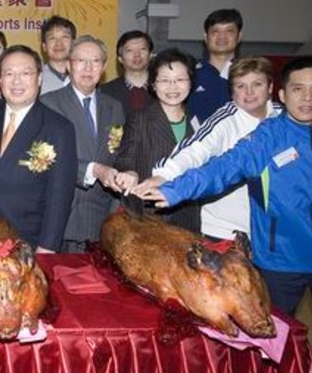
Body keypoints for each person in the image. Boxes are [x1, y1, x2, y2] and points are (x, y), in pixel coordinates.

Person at [137, 57, 312, 373]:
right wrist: (174, 189)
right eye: (297, 89)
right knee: (266, 335)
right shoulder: (269, 135)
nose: (306, 98)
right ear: (284, 93)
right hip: (280, 259)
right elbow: (224, 167)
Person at [136, 57, 282, 240]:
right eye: (240, 86)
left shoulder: (286, 117)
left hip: (276, 230)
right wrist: (165, 175)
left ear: (270, 87)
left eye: (257, 84)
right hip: (225, 231)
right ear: (231, 92)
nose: (249, 92)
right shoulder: (225, 119)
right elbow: (196, 148)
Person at [0, 45, 77, 252]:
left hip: (27, 241)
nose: (16, 81)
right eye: (9, 73)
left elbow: (60, 195)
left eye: (25, 73)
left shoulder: (58, 127)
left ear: (40, 79)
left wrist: (47, 247)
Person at [41, 36, 126, 252]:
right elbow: (45, 159)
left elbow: (119, 156)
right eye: (81, 61)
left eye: (95, 61)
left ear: (104, 67)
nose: (88, 68)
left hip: (102, 220)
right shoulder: (48, 104)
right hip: (61, 220)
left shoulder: (114, 107)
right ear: (69, 64)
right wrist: (94, 170)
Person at [114, 48, 201, 233]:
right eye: (165, 80)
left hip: (189, 218)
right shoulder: (140, 119)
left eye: (180, 80)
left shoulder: (198, 121)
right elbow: (125, 158)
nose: (173, 87)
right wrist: (130, 173)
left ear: (191, 82)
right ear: (153, 84)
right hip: (150, 218)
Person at [190, 8, 243, 124]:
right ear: (206, 37)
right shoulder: (190, 74)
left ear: (239, 37)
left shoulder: (250, 74)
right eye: (215, 31)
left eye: (229, 31)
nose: (222, 36)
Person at [100, 30, 154, 116]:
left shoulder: (164, 89)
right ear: (120, 58)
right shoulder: (104, 92)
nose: (137, 54)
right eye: (130, 50)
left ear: (151, 55)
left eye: (142, 49)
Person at [39, 15, 76, 94]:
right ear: (44, 46)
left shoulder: (85, 75)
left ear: (73, 43)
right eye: (52, 38)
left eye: (64, 37)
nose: (59, 43)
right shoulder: (36, 78)